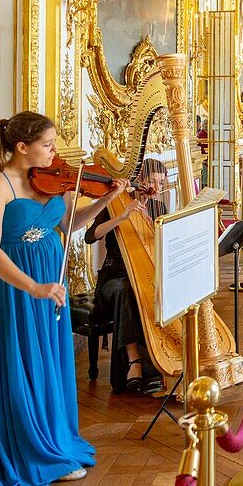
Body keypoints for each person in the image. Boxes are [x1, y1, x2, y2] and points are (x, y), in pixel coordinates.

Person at [0, 112, 129, 486]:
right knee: (14, 361)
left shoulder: (51, 180)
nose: (55, 151)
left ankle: (51, 440)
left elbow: (71, 225)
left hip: (46, 278)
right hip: (10, 283)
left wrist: (107, 199)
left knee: (44, 361)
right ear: (22, 147)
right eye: (47, 144)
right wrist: (34, 288)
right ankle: (23, 450)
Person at [85, 158, 168, 394]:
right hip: (112, 277)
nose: (156, 188)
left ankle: (161, 358)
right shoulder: (115, 203)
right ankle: (134, 362)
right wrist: (122, 217)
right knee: (126, 289)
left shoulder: (159, 208)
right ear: (138, 181)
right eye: (151, 181)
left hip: (143, 273)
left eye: (161, 183)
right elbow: (91, 236)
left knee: (150, 288)